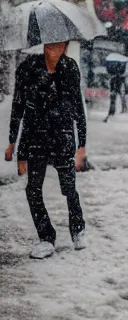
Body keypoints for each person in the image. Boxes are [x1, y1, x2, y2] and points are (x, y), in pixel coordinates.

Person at [4, 41, 87, 259]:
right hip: (36, 137)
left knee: (69, 187)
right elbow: (19, 107)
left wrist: (82, 145)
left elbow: (77, 106)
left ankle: (78, 229)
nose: (56, 49)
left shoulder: (69, 68)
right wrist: (14, 142)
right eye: (51, 44)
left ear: (66, 45)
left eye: (61, 44)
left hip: (62, 136)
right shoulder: (29, 68)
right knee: (33, 189)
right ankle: (46, 236)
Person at [104, 58, 128, 123]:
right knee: (116, 100)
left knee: (114, 100)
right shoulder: (120, 71)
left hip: (116, 87)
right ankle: (117, 111)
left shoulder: (117, 72)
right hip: (117, 87)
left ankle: (116, 111)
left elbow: (121, 79)